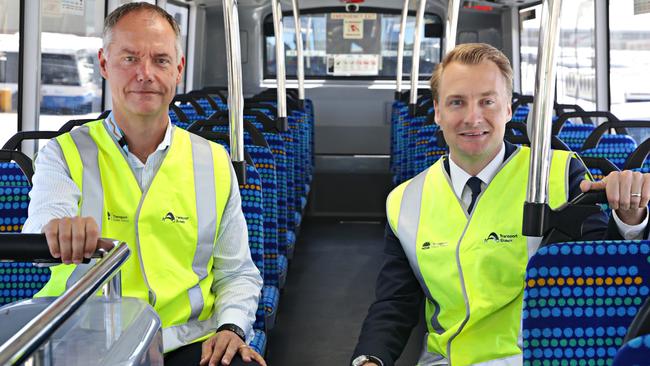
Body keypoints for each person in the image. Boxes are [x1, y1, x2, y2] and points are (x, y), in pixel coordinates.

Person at [351, 43, 650, 366]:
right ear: (437, 111)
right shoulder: (406, 200)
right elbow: (396, 301)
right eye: (457, 102)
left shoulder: (560, 177)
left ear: (508, 108)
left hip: (540, 358)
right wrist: (370, 359)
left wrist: (629, 217)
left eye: (487, 101)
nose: (472, 117)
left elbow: (602, 278)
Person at [22, 3, 266, 366]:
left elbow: (237, 272)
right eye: (130, 59)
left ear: (178, 70)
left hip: (187, 339)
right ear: (104, 65)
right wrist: (57, 230)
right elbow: (45, 221)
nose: (145, 74)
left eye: (161, 60)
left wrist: (231, 327)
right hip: (84, 340)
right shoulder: (63, 154)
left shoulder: (213, 161)